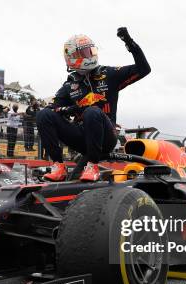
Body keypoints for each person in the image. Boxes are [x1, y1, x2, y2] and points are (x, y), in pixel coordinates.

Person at [37, 27, 151, 181]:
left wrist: (129, 42)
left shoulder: (109, 74)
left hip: (107, 137)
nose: (89, 55)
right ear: (72, 57)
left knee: (92, 111)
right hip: (82, 139)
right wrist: (68, 109)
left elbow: (144, 69)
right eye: (84, 53)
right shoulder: (69, 86)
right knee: (43, 115)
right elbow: (50, 109)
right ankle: (58, 166)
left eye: (90, 51)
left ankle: (93, 166)